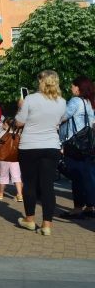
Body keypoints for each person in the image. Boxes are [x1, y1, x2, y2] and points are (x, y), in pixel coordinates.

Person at [13, 70, 66, 235]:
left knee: (29, 183)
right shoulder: (62, 102)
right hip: (51, 146)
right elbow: (60, 120)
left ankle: (29, 220)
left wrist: (20, 108)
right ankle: (47, 225)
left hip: (30, 146)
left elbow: (19, 122)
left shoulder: (30, 99)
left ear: (41, 82)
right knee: (47, 185)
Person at [58, 76, 95, 219]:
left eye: (73, 86)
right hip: (87, 144)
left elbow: (62, 117)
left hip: (74, 144)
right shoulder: (89, 102)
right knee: (88, 176)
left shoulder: (75, 101)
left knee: (76, 177)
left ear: (78, 88)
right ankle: (90, 207)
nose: (71, 88)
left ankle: (77, 209)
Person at [0, 118, 24, 202]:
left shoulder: (3, 133)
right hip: (15, 158)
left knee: (3, 175)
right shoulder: (19, 134)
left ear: (7, 124)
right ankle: (20, 195)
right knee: (17, 176)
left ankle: (0, 194)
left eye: (3, 123)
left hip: (4, 158)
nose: (2, 125)